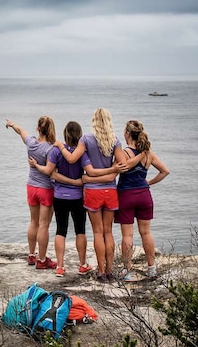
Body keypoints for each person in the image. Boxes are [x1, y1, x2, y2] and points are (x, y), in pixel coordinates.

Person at [54, 108, 134, 281]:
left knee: (98, 233)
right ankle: (110, 270)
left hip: (93, 192)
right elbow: (123, 165)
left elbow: (72, 159)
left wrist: (60, 146)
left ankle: (101, 271)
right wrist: (112, 170)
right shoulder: (115, 141)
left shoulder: (86, 140)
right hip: (110, 191)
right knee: (109, 232)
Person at [29, 121, 92, 277]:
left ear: (65, 134)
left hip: (59, 196)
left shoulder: (56, 150)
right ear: (80, 135)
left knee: (60, 230)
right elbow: (88, 173)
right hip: (77, 196)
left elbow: (51, 173)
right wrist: (79, 181)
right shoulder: (81, 153)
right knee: (80, 230)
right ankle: (83, 264)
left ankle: (60, 267)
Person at [116, 120, 169, 280]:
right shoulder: (147, 153)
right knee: (146, 232)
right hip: (144, 195)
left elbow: (116, 170)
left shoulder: (124, 153)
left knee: (127, 235)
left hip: (126, 195)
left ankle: (127, 270)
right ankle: (151, 268)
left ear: (127, 133)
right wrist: (149, 182)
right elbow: (165, 171)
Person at [5, 117, 58, 270]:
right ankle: (42, 260)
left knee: (33, 222)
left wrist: (12, 123)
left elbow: (20, 131)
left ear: (38, 128)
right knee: (44, 225)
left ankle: (31, 255)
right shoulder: (51, 149)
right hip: (46, 189)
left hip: (31, 187)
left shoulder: (31, 143)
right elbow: (51, 171)